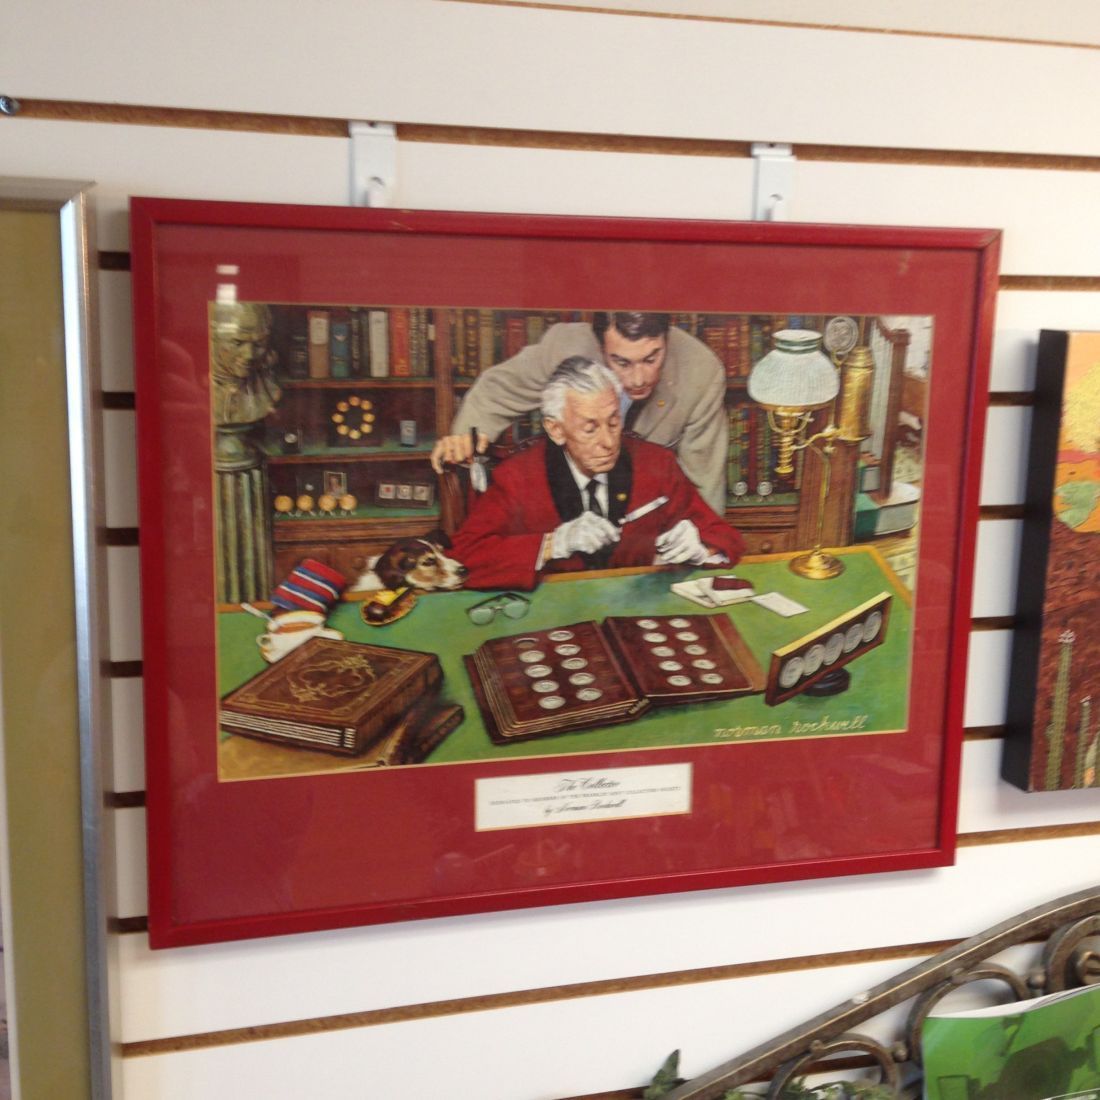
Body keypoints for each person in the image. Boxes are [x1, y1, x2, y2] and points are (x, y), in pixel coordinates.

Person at [450, 358, 742, 591]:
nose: (608, 442)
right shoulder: (517, 477)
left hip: (636, 616)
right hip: (550, 624)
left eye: (613, 423)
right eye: (590, 429)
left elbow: (728, 540)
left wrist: (700, 549)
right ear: (556, 429)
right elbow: (464, 558)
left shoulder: (657, 464)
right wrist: (553, 544)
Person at [430, 311, 729, 512]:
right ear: (600, 347)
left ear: (667, 339)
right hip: (565, 501)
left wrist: (702, 547)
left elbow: (705, 481)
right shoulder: (564, 346)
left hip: (644, 508)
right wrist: (466, 437)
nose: (639, 379)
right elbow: (497, 391)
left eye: (652, 358)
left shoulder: (702, 372)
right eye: (622, 363)